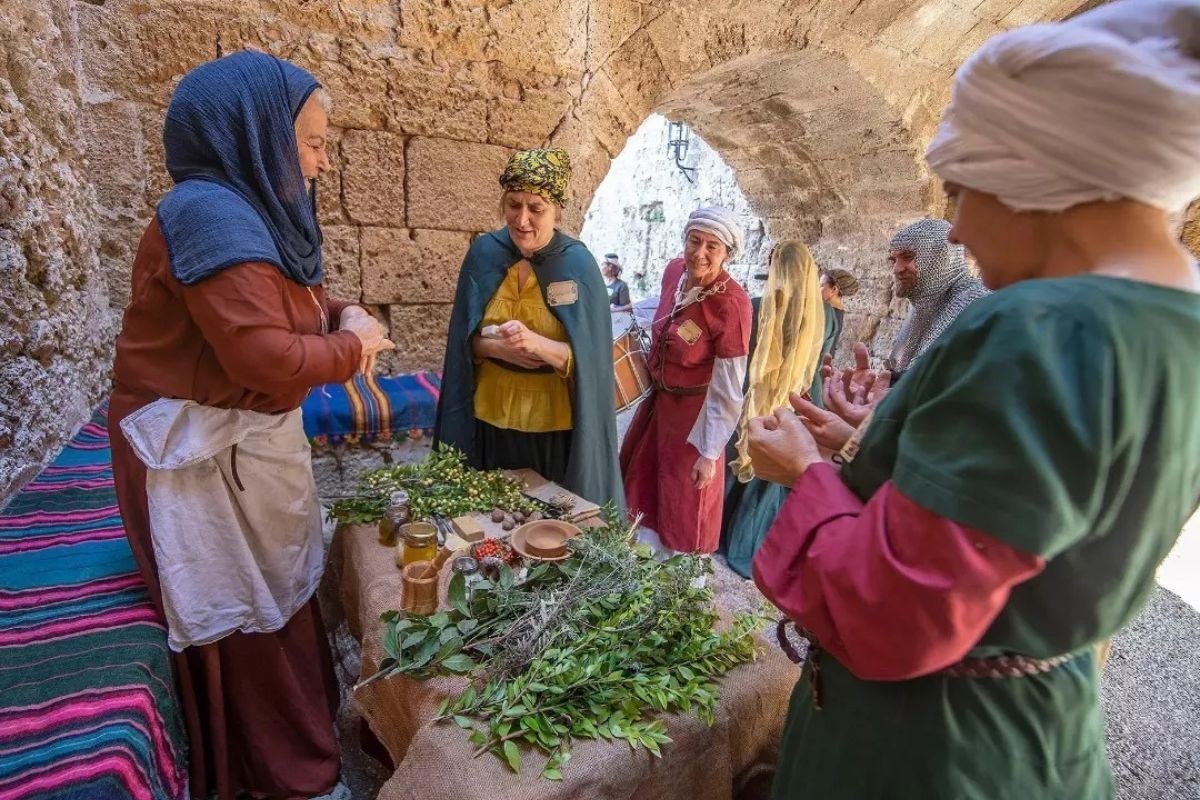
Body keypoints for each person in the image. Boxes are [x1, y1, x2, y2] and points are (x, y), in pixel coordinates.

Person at [747, 2, 1200, 797]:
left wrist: (804, 474)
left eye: (960, 192)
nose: (954, 233)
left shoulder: (1040, 329)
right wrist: (869, 444)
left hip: (929, 748)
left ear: (1030, 171)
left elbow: (897, 609)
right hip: (1035, 730)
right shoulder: (1174, 323)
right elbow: (1027, 518)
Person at [108, 51, 393, 799]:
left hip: (241, 446)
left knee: (282, 598)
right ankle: (274, 770)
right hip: (193, 462)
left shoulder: (252, 212)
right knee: (243, 616)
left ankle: (301, 743)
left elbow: (296, 303)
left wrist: (341, 313)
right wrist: (353, 347)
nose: (323, 163)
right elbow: (263, 354)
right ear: (258, 134)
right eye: (314, 141)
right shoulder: (207, 214)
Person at [434, 148, 624, 512]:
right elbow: (463, 342)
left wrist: (538, 345)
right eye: (513, 205)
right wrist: (497, 350)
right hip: (489, 417)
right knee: (489, 517)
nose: (522, 220)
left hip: (551, 426)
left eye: (536, 208)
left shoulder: (578, 264)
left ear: (557, 211)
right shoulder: (484, 253)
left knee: (544, 524)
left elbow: (591, 359)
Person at [621, 206, 753, 554]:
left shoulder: (732, 305)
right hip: (659, 406)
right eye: (695, 241)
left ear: (727, 254)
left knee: (684, 497)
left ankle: (677, 582)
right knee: (643, 484)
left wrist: (709, 452)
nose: (700, 252)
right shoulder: (674, 272)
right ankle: (638, 563)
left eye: (713, 246)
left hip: (695, 417)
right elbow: (661, 309)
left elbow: (728, 387)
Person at [719, 241, 825, 578]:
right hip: (783, 412)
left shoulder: (755, 307)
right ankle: (747, 543)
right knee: (764, 481)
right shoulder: (814, 321)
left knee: (733, 468)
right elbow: (812, 374)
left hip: (747, 402)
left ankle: (716, 532)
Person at [884, 218, 988, 380]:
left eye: (907, 257)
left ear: (942, 255)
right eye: (893, 260)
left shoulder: (977, 303)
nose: (897, 269)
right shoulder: (922, 308)